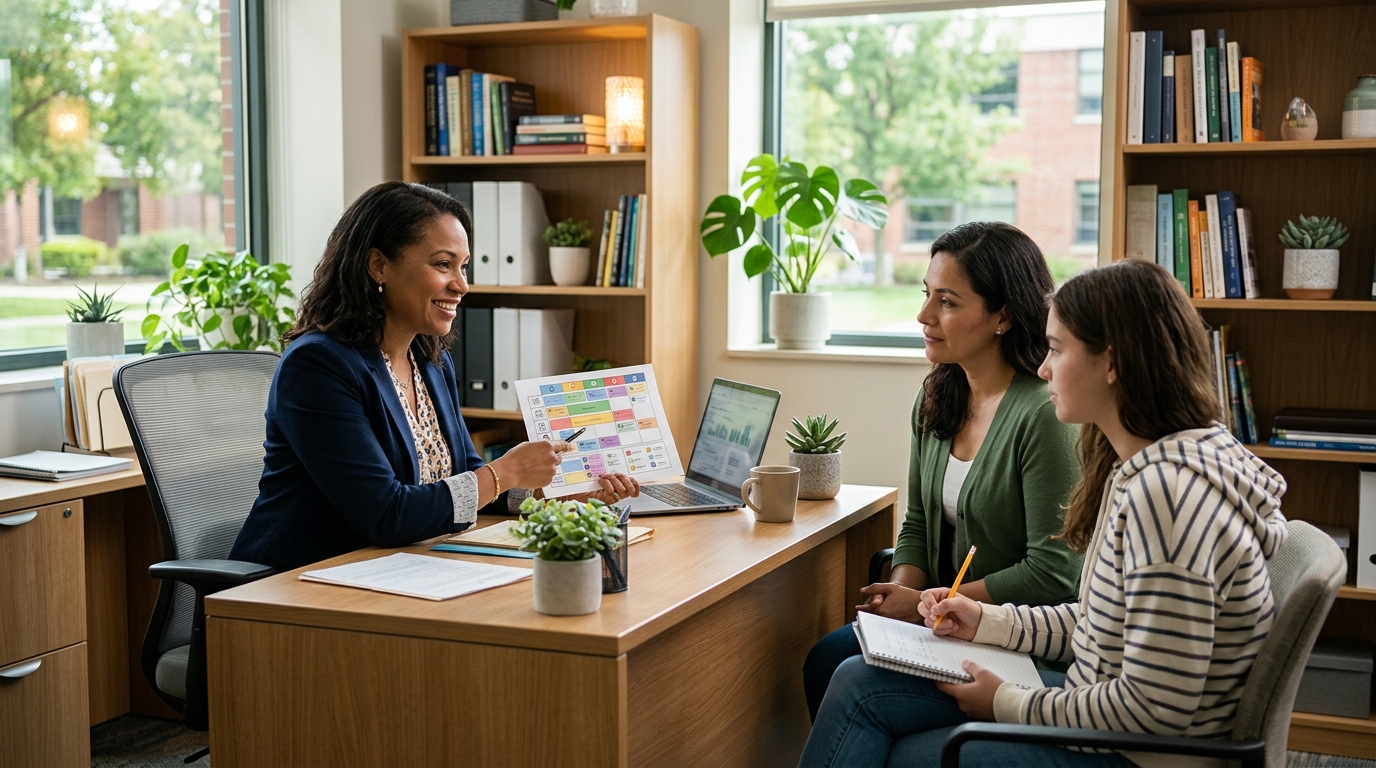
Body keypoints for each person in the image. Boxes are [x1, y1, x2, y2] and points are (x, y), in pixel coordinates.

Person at [799, 259, 1289, 768]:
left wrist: (1004, 702)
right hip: (1105, 711)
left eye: (1057, 350)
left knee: (877, 716)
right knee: (858, 682)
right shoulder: (1151, 466)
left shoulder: (1167, 497)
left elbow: (1152, 714)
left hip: (1137, 754)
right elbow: (1103, 622)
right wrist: (985, 620)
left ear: (1112, 363)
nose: (1043, 368)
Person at [231, 181, 639, 571]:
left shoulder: (430, 360)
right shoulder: (318, 366)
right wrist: (506, 471)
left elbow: (467, 477)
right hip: (290, 589)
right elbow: (388, 515)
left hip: (395, 570)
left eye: (463, 267)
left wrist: (557, 497)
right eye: (443, 265)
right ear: (378, 266)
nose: (461, 285)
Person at [803, 221, 1083, 720]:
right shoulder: (938, 396)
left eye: (948, 302)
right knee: (825, 657)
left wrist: (927, 604)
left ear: (1003, 316)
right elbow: (917, 522)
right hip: (941, 619)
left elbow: (1052, 571)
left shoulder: (1043, 414)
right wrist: (903, 593)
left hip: (1015, 636)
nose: (924, 315)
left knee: (847, 675)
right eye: (927, 294)